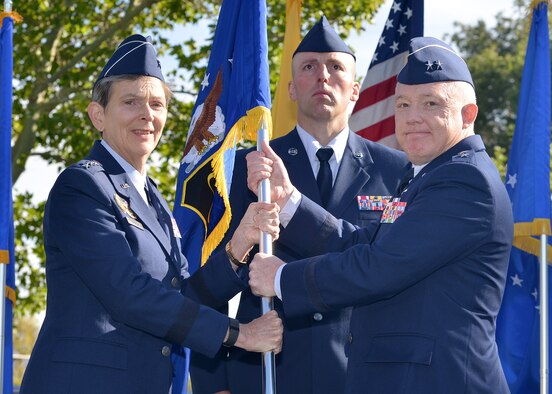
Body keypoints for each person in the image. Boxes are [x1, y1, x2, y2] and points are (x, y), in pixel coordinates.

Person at [247, 36, 513, 393]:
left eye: (431, 103)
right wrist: (289, 200)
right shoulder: (425, 173)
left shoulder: (463, 179)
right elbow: (361, 241)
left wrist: (282, 279)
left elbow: (379, 266)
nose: (412, 117)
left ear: (468, 114)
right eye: (403, 105)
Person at [19, 34, 283, 394]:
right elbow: (129, 293)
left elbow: (183, 296)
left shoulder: (153, 200)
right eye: (131, 102)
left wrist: (237, 248)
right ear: (98, 115)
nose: (147, 115)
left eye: (157, 105)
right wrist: (241, 335)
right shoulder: (81, 187)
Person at [190, 16, 408, 394]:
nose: (323, 76)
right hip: (266, 373)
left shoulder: (396, 170)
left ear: (355, 90)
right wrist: (215, 384)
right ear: (291, 89)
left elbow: (395, 271)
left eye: (336, 67)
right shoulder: (249, 167)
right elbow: (211, 279)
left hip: (360, 375)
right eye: (309, 67)